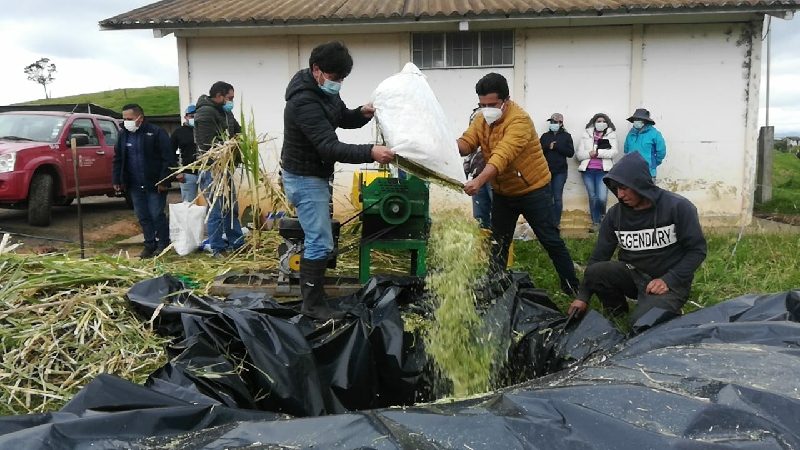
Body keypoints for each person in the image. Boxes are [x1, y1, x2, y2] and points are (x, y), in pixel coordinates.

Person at [281, 41, 395, 320]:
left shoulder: (324, 92)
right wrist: (370, 152)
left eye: (343, 79)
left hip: (316, 173)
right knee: (319, 241)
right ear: (316, 70)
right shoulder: (303, 101)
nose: (339, 83)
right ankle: (312, 304)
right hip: (304, 177)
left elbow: (340, 117)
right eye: (335, 78)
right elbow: (328, 146)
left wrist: (361, 113)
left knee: (320, 237)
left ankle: (315, 297)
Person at [457, 73, 579, 296]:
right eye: (482, 105)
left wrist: (478, 181)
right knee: (499, 243)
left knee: (550, 240)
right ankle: (496, 284)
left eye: (491, 104)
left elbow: (502, 156)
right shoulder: (481, 120)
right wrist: (443, 147)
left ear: (506, 100)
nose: (486, 109)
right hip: (504, 192)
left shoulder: (519, 121)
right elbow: (467, 143)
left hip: (533, 190)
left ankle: (572, 287)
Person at [567, 152, 707, 324]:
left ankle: (664, 308)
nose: (620, 195)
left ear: (640, 184)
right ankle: (617, 313)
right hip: (633, 276)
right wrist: (583, 297)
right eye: (616, 189)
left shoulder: (678, 207)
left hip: (668, 282)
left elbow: (697, 250)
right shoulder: (615, 215)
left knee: (641, 324)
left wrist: (670, 280)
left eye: (624, 188)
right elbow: (598, 257)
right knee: (597, 271)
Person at [112, 103, 175, 258]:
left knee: (156, 214)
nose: (126, 121)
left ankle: (163, 244)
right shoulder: (123, 135)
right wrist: (117, 179)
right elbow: (118, 159)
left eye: (129, 118)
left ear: (140, 117)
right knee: (143, 216)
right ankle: (149, 244)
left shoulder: (156, 132)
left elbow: (168, 159)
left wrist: (164, 180)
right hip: (134, 184)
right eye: (124, 119)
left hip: (154, 184)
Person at [194, 81, 244, 257]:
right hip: (212, 169)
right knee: (217, 209)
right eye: (229, 98)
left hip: (226, 167)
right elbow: (207, 144)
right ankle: (217, 247)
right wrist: (227, 147)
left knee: (231, 207)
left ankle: (237, 243)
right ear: (219, 95)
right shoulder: (205, 112)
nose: (231, 101)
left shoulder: (225, 111)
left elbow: (238, 130)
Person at [575, 113, 619, 232]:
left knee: (601, 197)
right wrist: (589, 154)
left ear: (607, 123)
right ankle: (595, 223)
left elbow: (614, 152)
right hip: (588, 171)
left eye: (603, 121)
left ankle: (603, 218)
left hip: (603, 171)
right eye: (598, 121)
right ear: (594, 122)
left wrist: (598, 153)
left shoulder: (611, 135)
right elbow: (578, 154)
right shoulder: (586, 135)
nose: (601, 123)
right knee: (593, 197)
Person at [539, 112, 575, 228]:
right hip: (546, 171)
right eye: (551, 122)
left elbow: (570, 153)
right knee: (547, 197)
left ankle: (556, 223)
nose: (553, 124)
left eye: (555, 122)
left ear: (561, 123)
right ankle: (547, 222)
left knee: (557, 197)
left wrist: (557, 146)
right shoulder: (545, 136)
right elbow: (538, 151)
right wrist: (548, 146)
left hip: (560, 171)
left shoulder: (566, 136)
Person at [463, 109, 492, 229]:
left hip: (493, 177)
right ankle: (483, 244)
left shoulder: (496, 139)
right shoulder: (473, 142)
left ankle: (499, 244)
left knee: (498, 213)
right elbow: (469, 156)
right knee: (479, 216)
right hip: (477, 178)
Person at [623, 108, 666, 178]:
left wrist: (653, 163)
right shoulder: (630, 134)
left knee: (648, 189)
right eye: (635, 119)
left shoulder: (655, 134)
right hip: (631, 172)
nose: (636, 121)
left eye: (639, 119)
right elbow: (626, 150)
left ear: (645, 121)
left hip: (648, 172)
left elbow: (661, 152)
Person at [171, 104, 199, 202]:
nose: (195, 118)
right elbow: (170, 152)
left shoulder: (207, 130)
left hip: (207, 173)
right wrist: (177, 172)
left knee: (212, 203)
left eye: (197, 115)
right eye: (192, 116)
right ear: (186, 117)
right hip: (187, 174)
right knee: (188, 203)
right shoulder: (179, 132)